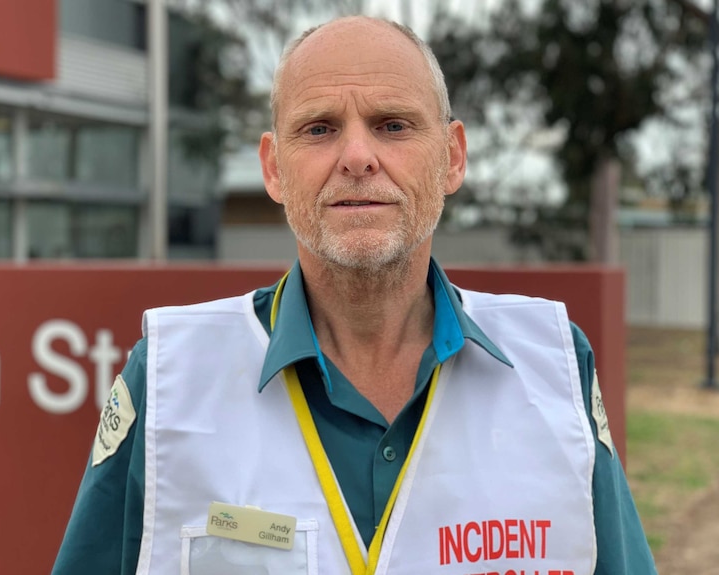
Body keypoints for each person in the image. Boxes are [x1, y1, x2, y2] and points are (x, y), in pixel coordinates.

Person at [53, 15, 657, 575]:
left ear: (452, 157)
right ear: (273, 169)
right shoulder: (166, 378)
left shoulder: (555, 366)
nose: (358, 157)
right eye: (319, 129)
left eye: (393, 125)